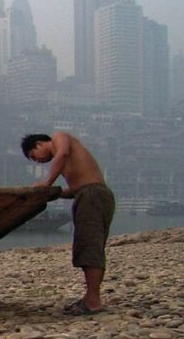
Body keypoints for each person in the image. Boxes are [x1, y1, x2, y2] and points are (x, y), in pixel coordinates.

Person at [21, 132, 115, 315]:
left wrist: (47, 183)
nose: (38, 161)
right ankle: (90, 297)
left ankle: (93, 301)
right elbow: (76, 188)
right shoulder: (67, 164)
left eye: (34, 156)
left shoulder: (59, 137)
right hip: (87, 195)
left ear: (39, 144)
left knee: (90, 246)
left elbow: (62, 153)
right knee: (86, 246)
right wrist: (53, 194)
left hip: (92, 196)